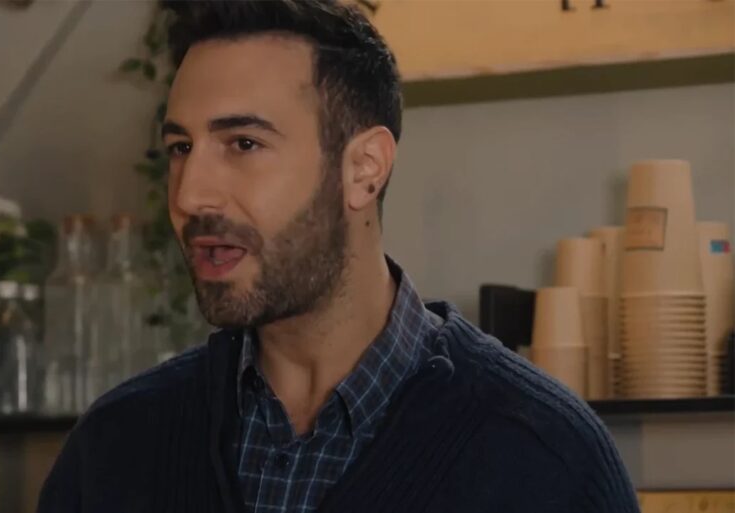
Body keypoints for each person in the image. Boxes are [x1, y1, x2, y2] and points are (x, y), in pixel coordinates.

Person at [38, 1, 640, 512]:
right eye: (180, 147)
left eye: (243, 143)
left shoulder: (544, 457)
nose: (190, 195)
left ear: (364, 170)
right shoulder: (115, 446)